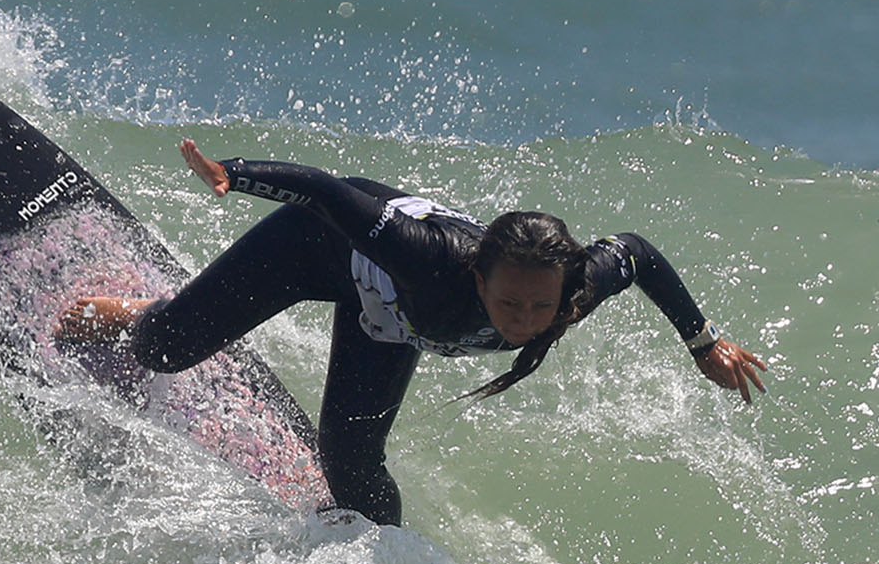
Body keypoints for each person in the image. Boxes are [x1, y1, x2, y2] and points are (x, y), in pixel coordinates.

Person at [58, 139, 767, 526]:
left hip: (386, 318)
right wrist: (232, 175)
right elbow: (328, 193)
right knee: (164, 349)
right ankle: (129, 309)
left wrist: (703, 342)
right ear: (479, 279)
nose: (522, 322)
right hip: (316, 246)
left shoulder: (572, 289)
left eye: (537, 308)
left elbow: (636, 252)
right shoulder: (428, 259)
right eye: (508, 303)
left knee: (353, 471)